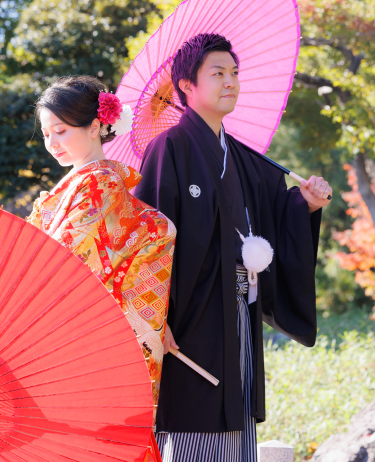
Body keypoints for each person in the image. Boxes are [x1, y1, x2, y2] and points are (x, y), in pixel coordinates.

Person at [134, 33, 332, 461]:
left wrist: (306, 203)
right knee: (191, 420)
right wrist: (155, 318)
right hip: (187, 319)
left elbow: (279, 212)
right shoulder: (169, 148)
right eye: (218, 73)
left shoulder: (244, 157)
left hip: (237, 311)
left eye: (235, 73)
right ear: (186, 85)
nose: (231, 82)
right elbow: (147, 242)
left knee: (235, 417)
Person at [27, 75, 176, 462]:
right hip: (100, 337)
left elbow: (52, 263)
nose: (52, 143)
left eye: (60, 130)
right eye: (46, 134)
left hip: (82, 340)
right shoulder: (96, 181)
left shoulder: (97, 184)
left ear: (95, 126)